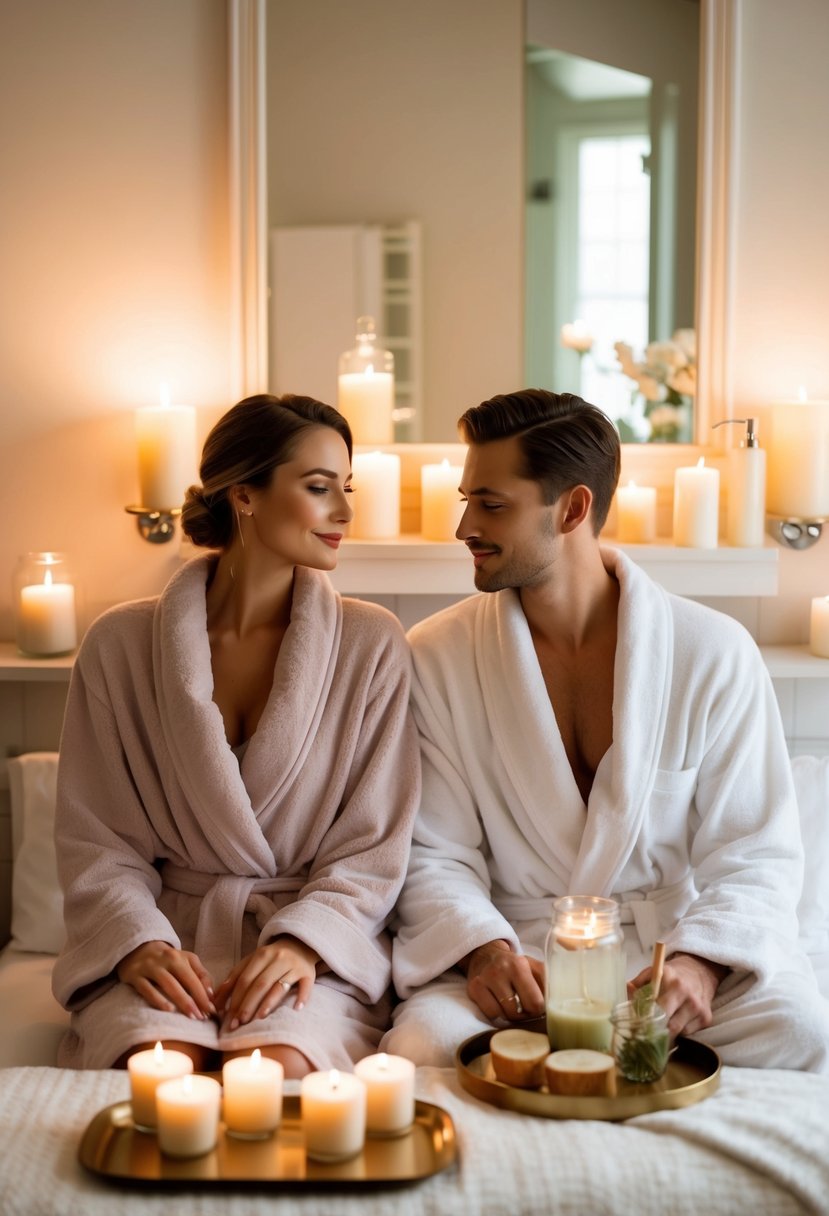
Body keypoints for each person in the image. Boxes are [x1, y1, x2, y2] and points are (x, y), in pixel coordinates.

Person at [384, 389, 829, 1072]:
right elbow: (433, 853)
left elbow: (756, 852)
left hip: (662, 959)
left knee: (795, 1031)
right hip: (522, 955)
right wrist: (483, 949)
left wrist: (701, 963)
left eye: (491, 504)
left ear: (572, 508)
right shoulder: (436, 656)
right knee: (424, 1048)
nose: (463, 525)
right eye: (466, 499)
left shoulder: (710, 651)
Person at [52, 393, 420, 1075]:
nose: (344, 511)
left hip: (310, 944)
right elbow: (95, 839)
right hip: (168, 942)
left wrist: (303, 943)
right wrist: (136, 943)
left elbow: (373, 843)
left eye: (347, 488)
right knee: (161, 1069)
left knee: (277, 1067)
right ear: (243, 495)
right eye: (318, 488)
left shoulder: (371, 643)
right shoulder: (121, 645)